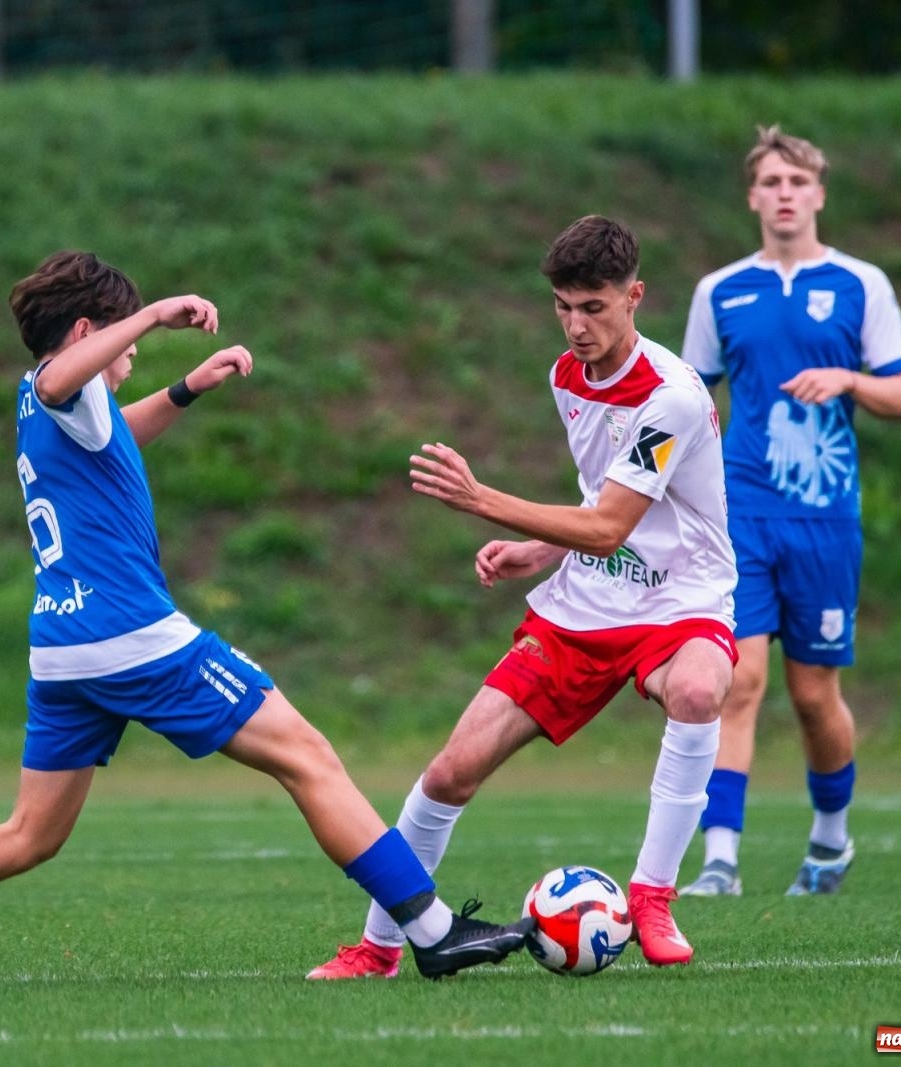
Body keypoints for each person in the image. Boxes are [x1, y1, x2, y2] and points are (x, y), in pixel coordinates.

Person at [0, 251, 533, 984]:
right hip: (131, 638)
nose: (134, 353)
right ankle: (433, 931)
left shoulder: (50, 406)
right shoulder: (59, 384)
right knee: (307, 755)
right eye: (126, 338)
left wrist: (186, 388)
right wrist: (153, 314)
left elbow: (111, 437)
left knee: (29, 833)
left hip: (63, 649)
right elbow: (66, 376)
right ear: (93, 330)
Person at [309, 215, 736, 979]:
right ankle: (376, 948)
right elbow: (601, 500)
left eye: (594, 307)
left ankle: (652, 894)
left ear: (635, 296)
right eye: (564, 307)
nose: (576, 326)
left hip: (681, 601)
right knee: (449, 773)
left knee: (702, 688)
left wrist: (482, 501)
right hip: (584, 605)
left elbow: (608, 526)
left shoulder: (670, 396)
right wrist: (540, 547)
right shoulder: (565, 376)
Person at [678, 126, 901, 898]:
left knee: (814, 697)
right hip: (741, 514)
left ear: (818, 194)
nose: (784, 193)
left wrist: (847, 379)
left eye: (797, 181)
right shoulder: (720, 291)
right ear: (752, 196)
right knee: (736, 679)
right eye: (771, 181)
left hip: (823, 521)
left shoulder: (861, 285)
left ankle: (830, 841)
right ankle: (720, 860)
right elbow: (690, 403)